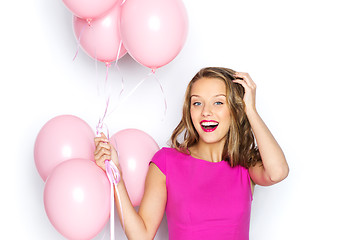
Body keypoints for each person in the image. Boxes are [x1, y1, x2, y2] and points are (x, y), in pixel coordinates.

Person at [94, 67, 289, 240]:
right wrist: (116, 177)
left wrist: (251, 111)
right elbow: (141, 236)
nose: (206, 112)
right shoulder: (166, 162)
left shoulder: (245, 163)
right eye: (197, 103)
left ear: (236, 109)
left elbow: (277, 172)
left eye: (218, 103)